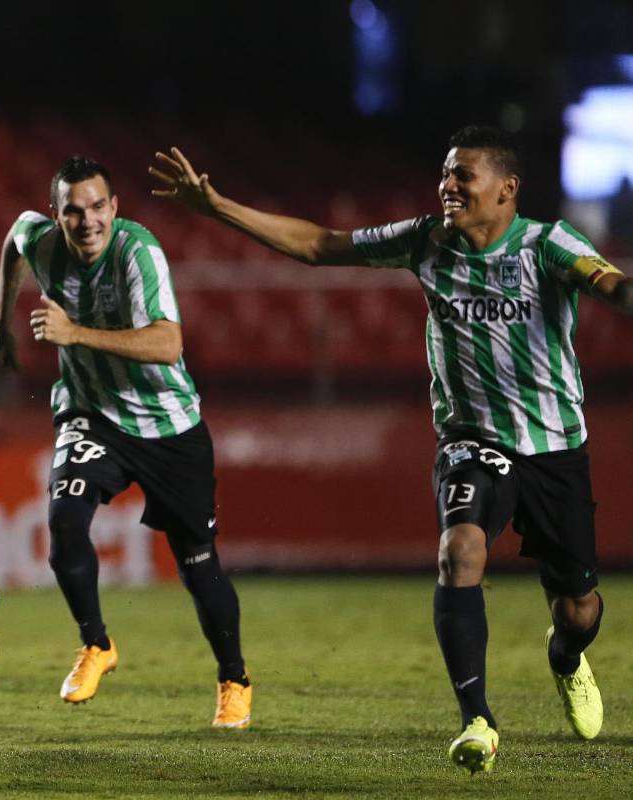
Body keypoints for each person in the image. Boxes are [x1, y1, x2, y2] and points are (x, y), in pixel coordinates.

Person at [150, 126, 629, 773]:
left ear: (507, 189)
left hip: (554, 450)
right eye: (445, 173)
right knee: (460, 550)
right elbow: (321, 246)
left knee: (579, 608)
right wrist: (218, 207)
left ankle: (567, 656)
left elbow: (607, 284)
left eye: (465, 176)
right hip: (473, 440)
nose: (449, 186)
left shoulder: (548, 245)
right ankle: (478, 721)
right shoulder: (427, 240)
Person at [0, 156, 252, 727]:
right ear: (57, 215)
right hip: (91, 416)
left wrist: (73, 333)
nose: (87, 222)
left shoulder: (138, 252)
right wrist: (1, 324)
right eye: (73, 211)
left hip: (168, 429)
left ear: (115, 208)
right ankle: (96, 644)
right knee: (62, 524)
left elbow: (167, 344)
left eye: (97, 208)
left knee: (199, 567)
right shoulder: (43, 239)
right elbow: (14, 236)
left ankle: (234, 678)